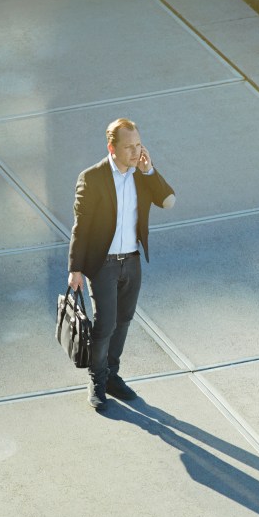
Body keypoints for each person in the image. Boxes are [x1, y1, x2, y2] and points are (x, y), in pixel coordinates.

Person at [67, 117, 175, 411]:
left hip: (132, 260)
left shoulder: (142, 175)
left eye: (138, 144)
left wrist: (150, 170)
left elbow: (168, 201)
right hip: (102, 263)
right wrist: (75, 269)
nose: (135, 151)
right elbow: (81, 226)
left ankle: (112, 375)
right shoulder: (92, 178)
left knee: (124, 321)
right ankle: (98, 379)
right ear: (111, 148)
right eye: (129, 147)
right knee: (105, 324)